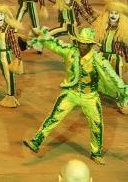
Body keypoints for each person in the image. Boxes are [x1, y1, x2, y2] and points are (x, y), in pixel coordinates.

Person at [23, 27, 128, 165]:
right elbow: (54, 45)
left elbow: (113, 77)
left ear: (91, 45)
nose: (82, 45)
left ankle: (96, 153)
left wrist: (124, 91)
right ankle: (36, 142)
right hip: (71, 92)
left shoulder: (98, 60)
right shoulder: (70, 52)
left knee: (96, 124)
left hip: (89, 96)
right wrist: (42, 36)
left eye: (85, 43)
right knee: (54, 116)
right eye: (80, 42)